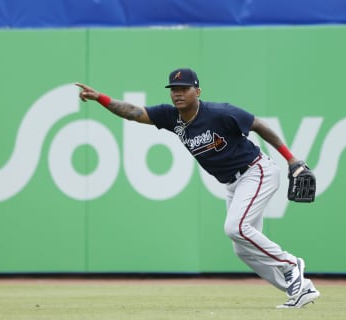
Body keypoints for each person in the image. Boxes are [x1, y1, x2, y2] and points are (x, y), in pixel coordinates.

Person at [75, 68, 320, 308]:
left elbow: (258, 124)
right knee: (242, 249)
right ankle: (299, 289)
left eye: (184, 88)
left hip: (256, 172)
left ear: (198, 91)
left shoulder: (220, 112)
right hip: (233, 183)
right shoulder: (171, 117)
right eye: (173, 89)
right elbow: (132, 112)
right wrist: (101, 98)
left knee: (236, 228)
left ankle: (290, 265)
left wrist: (291, 159)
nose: (177, 93)